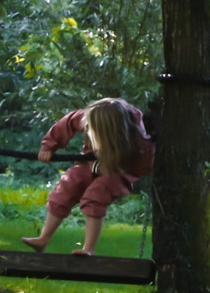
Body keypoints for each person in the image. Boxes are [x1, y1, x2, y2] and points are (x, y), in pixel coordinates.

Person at [21, 97, 154, 257]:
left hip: (120, 168)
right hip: (91, 161)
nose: (88, 130)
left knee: (96, 195)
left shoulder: (138, 140)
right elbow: (67, 122)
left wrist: (116, 163)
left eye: (93, 129)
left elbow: (146, 164)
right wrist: (49, 146)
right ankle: (43, 239)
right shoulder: (89, 117)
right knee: (68, 185)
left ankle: (88, 248)